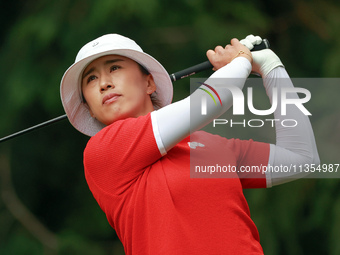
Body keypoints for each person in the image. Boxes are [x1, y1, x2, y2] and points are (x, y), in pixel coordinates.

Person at [60, 34, 319, 254]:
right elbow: (210, 102)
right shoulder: (104, 151)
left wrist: (270, 66)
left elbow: (302, 159)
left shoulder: (211, 145)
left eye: (114, 68)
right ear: (90, 110)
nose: (104, 83)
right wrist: (242, 60)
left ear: (149, 83)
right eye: (91, 79)